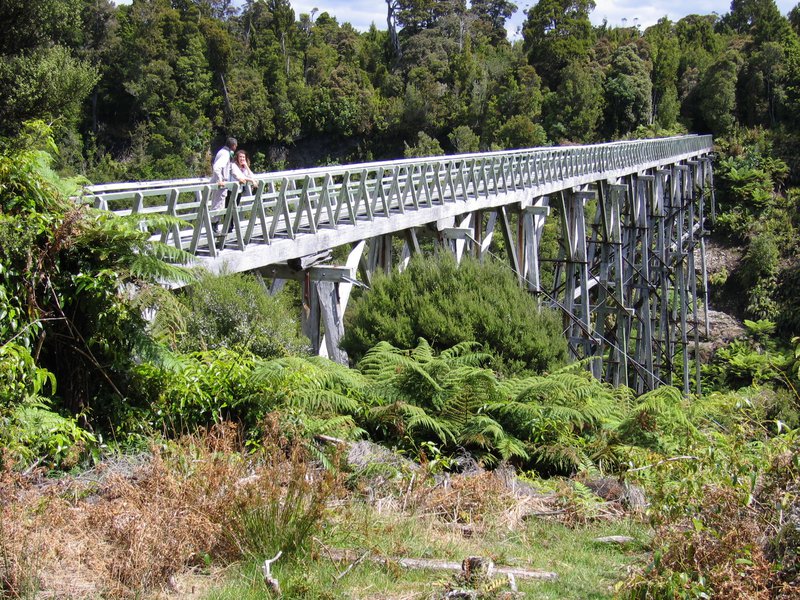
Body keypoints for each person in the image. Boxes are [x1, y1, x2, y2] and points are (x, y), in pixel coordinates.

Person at [209, 137, 237, 230]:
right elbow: (217, 167)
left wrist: (240, 177)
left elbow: (230, 169)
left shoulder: (223, 152)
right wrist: (220, 180)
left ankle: (214, 226)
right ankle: (214, 227)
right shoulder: (225, 154)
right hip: (220, 183)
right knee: (218, 205)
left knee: (218, 204)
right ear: (233, 145)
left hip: (221, 183)